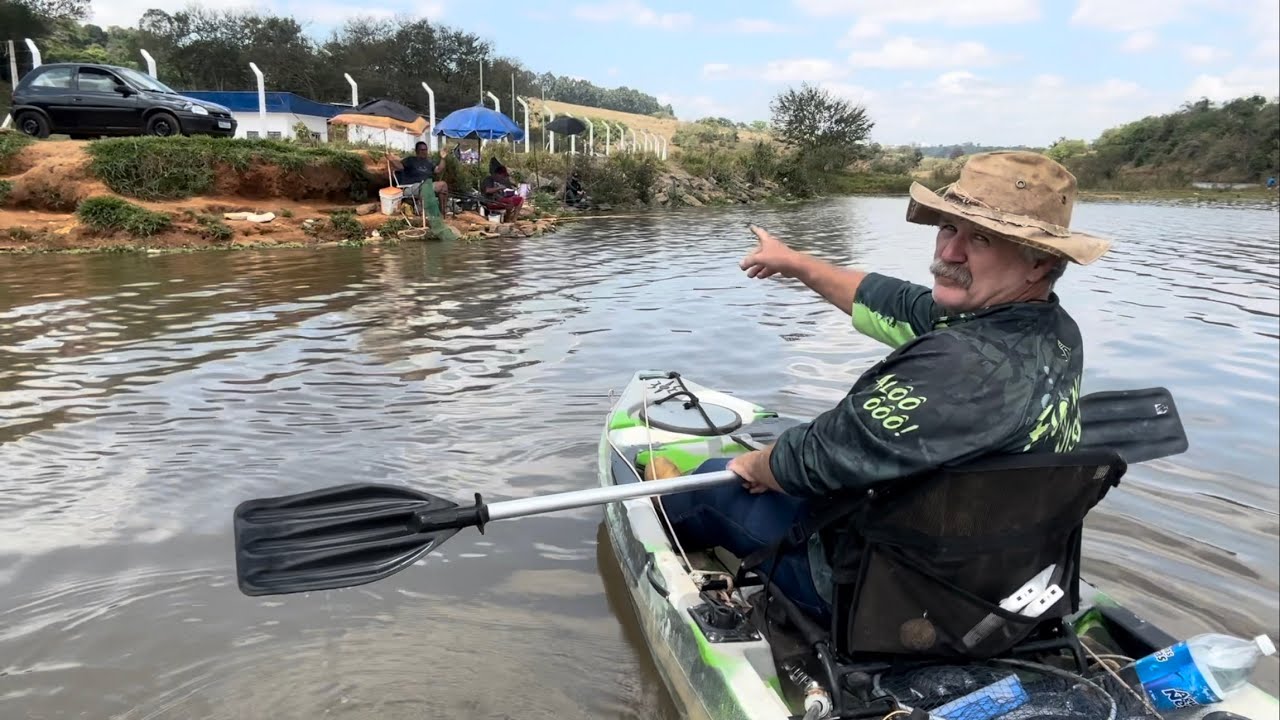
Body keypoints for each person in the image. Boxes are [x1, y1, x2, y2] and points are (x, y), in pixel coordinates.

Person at [649, 151, 1114, 625]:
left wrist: (752, 464)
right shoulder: (1053, 331)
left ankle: (664, 513)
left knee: (716, 478)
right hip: (992, 576)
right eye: (949, 228)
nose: (949, 253)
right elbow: (895, 301)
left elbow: (817, 458)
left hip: (880, 594)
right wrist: (794, 262)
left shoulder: (957, 365)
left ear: (1039, 263)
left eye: (983, 239)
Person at [388, 141, 449, 216]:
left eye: (425, 150)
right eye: (422, 150)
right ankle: (424, 214)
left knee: (443, 185)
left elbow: (439, 170)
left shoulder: (429, 162)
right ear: (417, 151)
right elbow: (399, 167)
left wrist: (443, 158)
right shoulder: (410, 160)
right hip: (410, 187)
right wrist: (391, 159)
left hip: (426, 185)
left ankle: (442, 213)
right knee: (426, 186)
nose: (424, 152)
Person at [482, 158, 524, 222]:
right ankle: (507, 219)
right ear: (496, 174)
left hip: (500, 199)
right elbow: (488, 190)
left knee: (520, 199)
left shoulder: (499, 180)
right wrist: (499, 188)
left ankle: (514, 219)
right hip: (491, 202)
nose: (502, 177)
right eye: (501, 176)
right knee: (510, 202)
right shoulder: (488, 180)